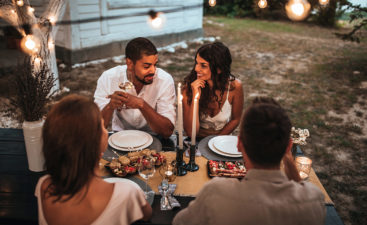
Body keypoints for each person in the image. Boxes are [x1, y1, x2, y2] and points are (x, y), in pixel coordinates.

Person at [173, 97, 326, 225]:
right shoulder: (314, 200)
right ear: (289, 147)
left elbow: (179, 222)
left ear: (239, 144)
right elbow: (300, 188)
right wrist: (286, 154)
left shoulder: (216, 193)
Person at [35, 95, 152, 225]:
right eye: (102, 126)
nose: (106, 132)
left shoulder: (44, 186)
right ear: (93, 142)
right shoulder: (125, 193)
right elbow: (147, 215)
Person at [94, 37, 176, 138]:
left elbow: (167, 131)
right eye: (146, 66)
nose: (153, 71)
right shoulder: (109, 78)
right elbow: (96, 128)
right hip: (120, 138)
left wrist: (142, 105)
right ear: (130, 64)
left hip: (155, 138)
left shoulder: (164, 80)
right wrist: (110, 106)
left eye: (155, 65)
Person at [182, 42, 244, 139]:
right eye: (196, 63)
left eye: (203, 65)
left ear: (219, 69)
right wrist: (195, 97)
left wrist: (215, 141)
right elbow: (191, 132)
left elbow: (235, 120)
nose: (196, 69)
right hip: (195, 140)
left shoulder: (235, 87)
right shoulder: (189, 88)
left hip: (221, 140)